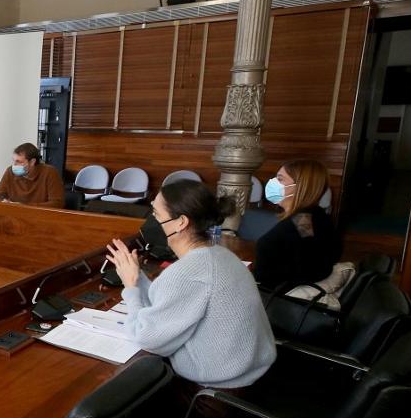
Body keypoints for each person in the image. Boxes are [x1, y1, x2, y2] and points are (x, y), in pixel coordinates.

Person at [106, 179, 275, 391]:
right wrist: (136, 277)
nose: (151, 220)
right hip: (252, 375)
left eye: (156, 214)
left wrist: (130, 288)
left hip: (217, 392)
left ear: (181, 222)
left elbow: (146, 337)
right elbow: (170, 301)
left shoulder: (188, 273)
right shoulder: (220, 255)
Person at [253, 159, 342, 291]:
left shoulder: (299, 222)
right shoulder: (311, 216)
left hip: (274, 299)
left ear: (300, 186)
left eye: (280, 179)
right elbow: (305, 250)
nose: (272, 183)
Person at [0, 142, 63, 207]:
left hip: (40, 217)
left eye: (19, 161)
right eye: (14, 161)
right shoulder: (10, 171)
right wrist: (3, 203)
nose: (14, 165)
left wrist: (24, 206)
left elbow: (57, 204)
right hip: (14, 217)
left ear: (32, 162)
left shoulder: (50, 172)